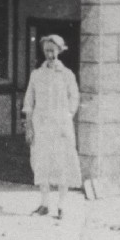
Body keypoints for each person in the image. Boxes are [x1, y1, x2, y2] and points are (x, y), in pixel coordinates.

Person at [22, 34, 82, 219]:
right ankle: (44, 204)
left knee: (62, 164)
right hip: (42, 127)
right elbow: (29, 102)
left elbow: (75, 98)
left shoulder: (67, 75)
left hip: (61, 128)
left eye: (53, 50)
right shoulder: (36, 75)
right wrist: (29, 127)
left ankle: (62, 205)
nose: (50, 54)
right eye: (47, 51)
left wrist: (67, 115)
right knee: (42, 163)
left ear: (60, 51)